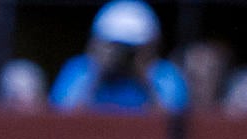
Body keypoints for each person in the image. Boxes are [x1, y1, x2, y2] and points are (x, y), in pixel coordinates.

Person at [51, 1, 189, 113]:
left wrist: (146, 78)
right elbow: (60, 120)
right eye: (115, 46)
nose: (123, 55)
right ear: (96, 43)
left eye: (132, 49)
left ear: (151, 46)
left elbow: (175, 127)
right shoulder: (80, 71)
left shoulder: (165, 75)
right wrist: (97, 73)